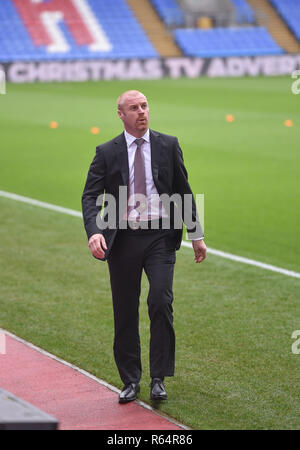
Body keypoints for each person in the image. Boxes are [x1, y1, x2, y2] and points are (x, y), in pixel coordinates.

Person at [82, 90, 206, 403]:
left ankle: (158, 378)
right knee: (125, 312)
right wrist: (94, 231)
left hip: (160, 239)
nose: (141, 112)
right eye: (134, 108)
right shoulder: (106, 151)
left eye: (145, 106)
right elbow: (90, 196)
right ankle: (130, 381)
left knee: (161, 301)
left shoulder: (168, 145)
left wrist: (196, 234)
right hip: (122, 240)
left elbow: (183, 191)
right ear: (120, 114)